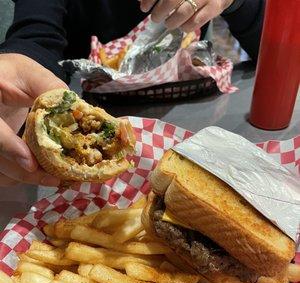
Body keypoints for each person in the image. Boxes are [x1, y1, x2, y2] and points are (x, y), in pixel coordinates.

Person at [0, 0, 265, 187]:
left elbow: (280, 49)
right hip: (82, 96)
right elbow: (35, 35)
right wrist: (15, 67)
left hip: (207, 120)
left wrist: (237, 3)